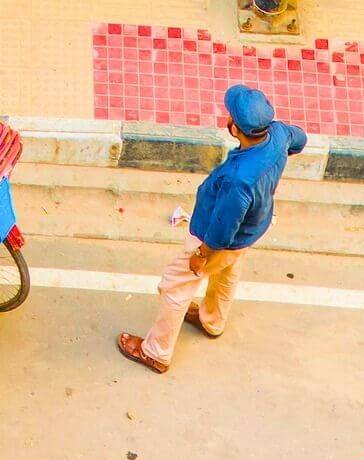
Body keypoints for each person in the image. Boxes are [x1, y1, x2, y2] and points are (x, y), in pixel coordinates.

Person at [116, 84, 307, 374]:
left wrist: (201, 255)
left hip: (220, 238)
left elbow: (222, 228)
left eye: (229, 115)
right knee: (228, 273)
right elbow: (300, 140)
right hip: (252, 229)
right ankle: (212, 320)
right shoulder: (278, 135)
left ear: (235, 128)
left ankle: (156, 352)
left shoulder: (238, 180)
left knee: (175, 285)